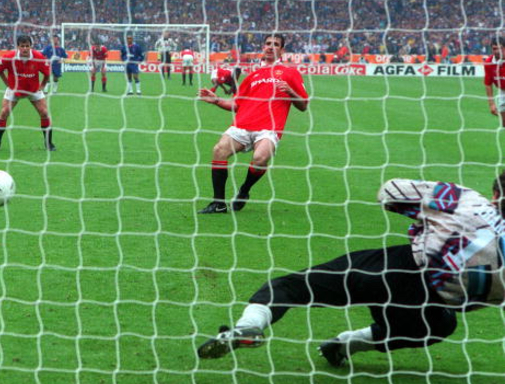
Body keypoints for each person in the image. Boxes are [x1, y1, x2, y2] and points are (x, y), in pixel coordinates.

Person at [198, 174, 505, 366]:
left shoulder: (469, 201)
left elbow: (392, 192)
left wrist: (423, 223)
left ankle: (249, 325)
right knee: (441, 326)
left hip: (391, 268)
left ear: (495, 195)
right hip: (427, 305)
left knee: (292, 288)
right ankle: (345, 344)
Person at [197, 34, 309, 214]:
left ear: (282, 50)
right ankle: (218, 203)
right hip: (243, 125)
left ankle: (244, 190)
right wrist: (216, 100)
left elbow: (303, 106)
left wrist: (290, 92)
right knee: (219, 150)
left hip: (269, 128)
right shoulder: (252, 76)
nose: (271, 47)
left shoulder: (290, 73)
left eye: (276, 44)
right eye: (267, 43)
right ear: (263, 47)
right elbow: (236, 104)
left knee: (260, 158)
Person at [0, 35, 55, 152]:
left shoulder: (38, 57)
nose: (25, 49)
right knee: (4, 113)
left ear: (31, 46)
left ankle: (49, 144)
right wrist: (6, 83)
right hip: (14, 89)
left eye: (27, 46)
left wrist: (42, 86)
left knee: (44, 113)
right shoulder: (10, 57)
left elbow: (47, 73)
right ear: (18, 47)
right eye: (22, 46)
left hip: (33, 89)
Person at [483, 36, 505, 126]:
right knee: (504, 123)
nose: (496, 51)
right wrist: (491, 104)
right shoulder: (489, 62)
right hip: (502, 91)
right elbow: (488, 84)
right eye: (494, 48)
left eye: (499, 48)